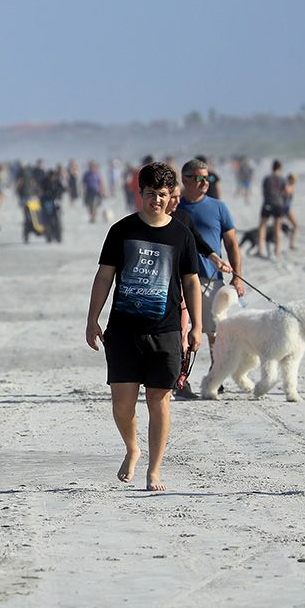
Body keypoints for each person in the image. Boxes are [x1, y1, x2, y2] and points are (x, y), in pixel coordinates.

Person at [86, 161, 203, 492]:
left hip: (165, 330)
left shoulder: (180, 234)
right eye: (150, 194)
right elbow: (104, 275)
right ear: (140, 194)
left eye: (162, 195)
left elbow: (191, 282)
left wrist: (196, 325)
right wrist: (92, 318)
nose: (156, 200)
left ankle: (154, 469)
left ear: (170, 197)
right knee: (122, 404)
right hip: (123, 330)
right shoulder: (121, 231)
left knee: (159, 400)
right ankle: (132, 447)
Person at [176, 158, 245, 357]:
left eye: (208, 178)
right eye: (198, 178)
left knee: (215, 331)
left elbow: (231, 243)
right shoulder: (174, 206)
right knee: (180, 330)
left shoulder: (219, 207)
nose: (205, 183)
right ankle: (181, 376)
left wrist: (237, 276)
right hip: (179, 279)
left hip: (211, 278)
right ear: (185, 179)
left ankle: (216, 375)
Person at [256, 159, 288, 258]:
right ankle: (277, 251)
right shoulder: (282, 179)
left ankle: (260, 250)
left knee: (262, 226)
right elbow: (285, 192)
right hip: (278, 204)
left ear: (272, 167)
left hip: (267, 203)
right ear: (280, 168)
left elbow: (263, 191)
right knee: (277, 228)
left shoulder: (267, 178)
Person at [283, 173, 299, 250]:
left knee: (295, 225)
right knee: (295, 225)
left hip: (287, 208)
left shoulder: (289, 185)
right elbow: (286, 192)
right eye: (295, 179)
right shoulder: (287, 186)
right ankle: (291, 244)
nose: (296, 181)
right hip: (284, 208)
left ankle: (291, 244)